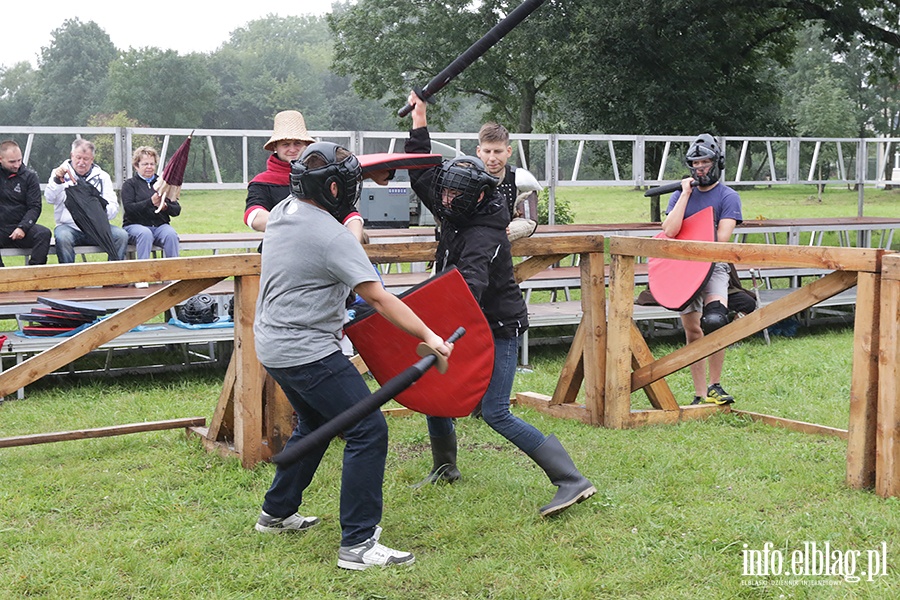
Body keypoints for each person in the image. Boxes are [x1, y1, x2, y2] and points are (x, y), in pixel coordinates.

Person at [252, 141, 452, 571]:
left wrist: (366, 182)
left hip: (272, 344)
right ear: (332, 190)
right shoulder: (330, 236)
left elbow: (337, 198)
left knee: (318, 424)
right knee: (368, 430)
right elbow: (379, 299)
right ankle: (358, 544)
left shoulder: (286, 210)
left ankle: (276, 512)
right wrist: (429, 335)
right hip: (306, 349)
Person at [404, 91, 595, 518]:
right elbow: (420, 177)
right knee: (436, 392)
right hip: (462, 320)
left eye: (452, 198)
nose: (445, 202)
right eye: (445, 197)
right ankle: (445, 468)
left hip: (497, 325)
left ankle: (571, 480)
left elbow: (468, 286)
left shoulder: (486, 230)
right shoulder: (460, 199)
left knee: (495, 411)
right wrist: (420, 121)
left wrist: (424, 324)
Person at [661, 133, 743, 406]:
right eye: (696, 164)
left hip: (714, 265)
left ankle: (715, 385)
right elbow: (670, 231)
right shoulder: (680, 195)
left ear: (716, 162)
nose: (700, 168)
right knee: (693, 330)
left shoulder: (728, 196)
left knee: (715, 322)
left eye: (705, 162)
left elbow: (721, 240)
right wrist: (685, 193)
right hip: (684, 268)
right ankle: (698, 393)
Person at [244, 109, 363, 240]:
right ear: (275, 147)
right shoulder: (262, 182)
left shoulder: (323, 175)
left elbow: (349, 214)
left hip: (325, 247)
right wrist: (302, 225)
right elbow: (254, 217)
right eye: (285, 144)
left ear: (306, 145)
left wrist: (353, 243)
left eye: (297, 143)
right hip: (281, 249)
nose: (292, 149)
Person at [44, 139, 129, 263]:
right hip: (69, 227)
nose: (81, 162)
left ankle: (113, 277)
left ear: (92, 159)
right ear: (72, 155)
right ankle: (69, 278)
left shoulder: (103, 177)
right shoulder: (58, 174)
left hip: (98, 228)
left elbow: (113, 207)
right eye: (78, 158)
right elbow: (50, 199)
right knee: (63, 237)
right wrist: (57, 181)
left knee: (121, 235)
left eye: (86, 159)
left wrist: (97, 209)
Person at [121, 146, 181, 287]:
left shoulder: (163, 184)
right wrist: (150, 202)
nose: (149, 167)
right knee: (145, 234)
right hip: (135, 226)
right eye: (145, 164)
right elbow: (129, 209)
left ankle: (173, 274)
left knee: (171, 234)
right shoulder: (130, 185)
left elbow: (176, 210)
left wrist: (165, 206)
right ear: (136, 166)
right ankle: (142, 276)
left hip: (160, 226)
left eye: (152, 164)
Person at [476, 121, 541, 241]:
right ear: (479, 151)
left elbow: (528, 222)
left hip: (504, 245)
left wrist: (505, 231)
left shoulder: (521, 179)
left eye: (498, 151)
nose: (492, 158)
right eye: (487, 151)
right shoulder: (466, 178)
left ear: (508, 151)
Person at [0, 140, 51, 266]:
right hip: (1, 227)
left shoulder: (30, 177)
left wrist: (22, 227)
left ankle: (32, 278)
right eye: (12, 162)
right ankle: (4, 279)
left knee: (43, 234)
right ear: (0, 159)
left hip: (21, 226)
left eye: (19, 160)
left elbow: (35, 207)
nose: (17, 165)